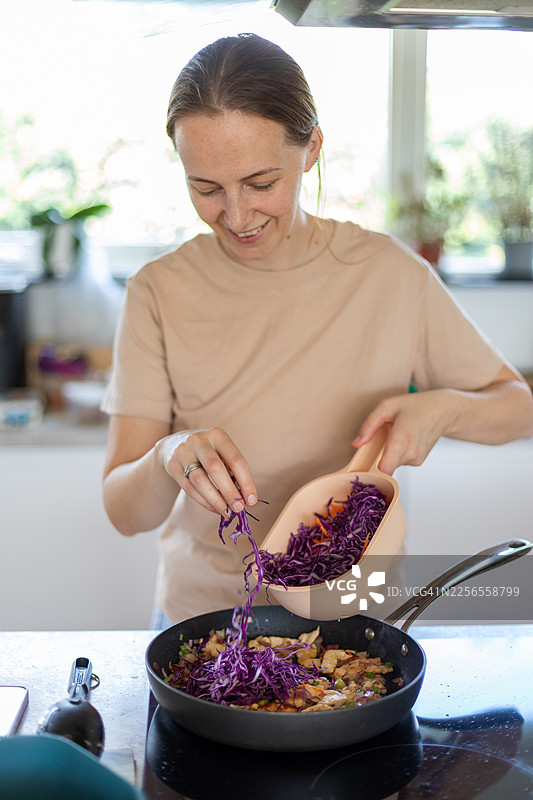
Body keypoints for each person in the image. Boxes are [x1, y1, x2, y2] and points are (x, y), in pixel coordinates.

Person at [101, 33, 533, 629]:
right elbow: (125, 511)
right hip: (204, 617)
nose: (236, 214)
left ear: (312, 149)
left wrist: (443, 409)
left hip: (360, 609)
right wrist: (165, 456)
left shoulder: (390, 274)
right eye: (205, 188)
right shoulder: (157, 290)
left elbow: (518, 408)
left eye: (260, 183)